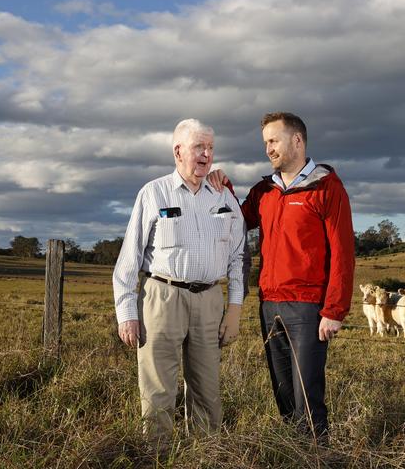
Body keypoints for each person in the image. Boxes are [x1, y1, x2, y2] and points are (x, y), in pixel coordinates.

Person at [208, 112, 355, 439]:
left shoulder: (327, 188)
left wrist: (334, 311)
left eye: (274, 141)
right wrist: (224, 186)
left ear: (297, 141)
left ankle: (317, 456)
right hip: (269, 304)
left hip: (308, 308)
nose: (268, 149)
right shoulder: (265, 191)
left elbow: (343, 253)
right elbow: (238, 222)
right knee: (283, 390)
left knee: (308, 394)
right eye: (265, 143)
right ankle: (293, 450)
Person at [113, 118, 247, 447]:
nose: (206, 155)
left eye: (211, 149)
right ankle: (156, 456)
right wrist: (126, 312)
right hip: (162, 297)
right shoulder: (153, 193)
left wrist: (234, 309)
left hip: (209, 299)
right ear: (177, 151)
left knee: (207, 388)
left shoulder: (224, 198)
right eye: (199, 147)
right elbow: (129, 258)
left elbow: (238, 257)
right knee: (159, 389)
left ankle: (203, 456)